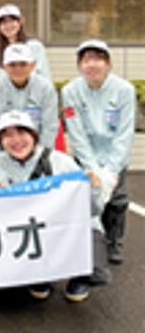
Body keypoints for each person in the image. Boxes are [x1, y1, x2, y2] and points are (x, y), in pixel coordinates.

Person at [0, 110, 107, 303]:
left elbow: (94, 211)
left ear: (33, 135)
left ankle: (81, 278)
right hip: (26, 230)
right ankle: (38, 276)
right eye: (7, 135)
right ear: (0, 141)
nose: (16, 140)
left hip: (64, 228)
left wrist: (93, 189)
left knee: (93, 255)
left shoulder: (61, 162)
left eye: (21, 132)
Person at [62, 39, 135, 265]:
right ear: (80, 65)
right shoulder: (70, 91)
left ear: (108, 63)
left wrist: (112, 170)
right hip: (86, 155)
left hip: (115, 156)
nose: (92, 65)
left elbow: (124, 133)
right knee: (85, 200)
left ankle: (114, 242)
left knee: (117, 201)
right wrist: (92, 168)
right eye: (86, 60)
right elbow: (76, 133)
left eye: (97, 59)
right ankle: (90, 241)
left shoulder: (124, 90)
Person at [0, 43, 58, 155]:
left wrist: (40, 156)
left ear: (32, 65)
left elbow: (50, 126)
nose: (18, 69)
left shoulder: (46, 89)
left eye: (23, 64)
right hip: (0, 152)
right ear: (4, 66)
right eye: (12, 64)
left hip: (36, 153)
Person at [0, 4, 51, 82]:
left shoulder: (35, 47)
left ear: (21, 21)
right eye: (4, 22)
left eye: (12, 21)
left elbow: (45, 78)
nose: (8, 26)